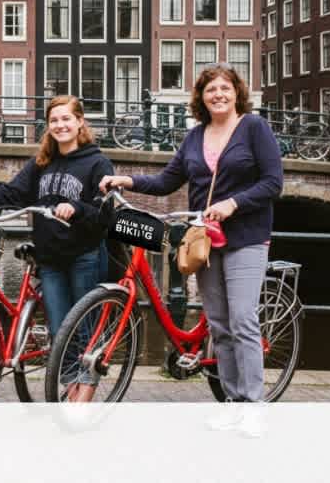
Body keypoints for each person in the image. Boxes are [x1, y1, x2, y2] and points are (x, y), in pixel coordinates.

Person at [100, 63, 283, 411]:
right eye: (210, 89)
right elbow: (168, 181)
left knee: (243, 319)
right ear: (201, 96)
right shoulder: (195, 137)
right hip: (206, 240)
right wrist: (128, 181)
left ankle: (253, 406)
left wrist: (233, 203)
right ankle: (232, 401)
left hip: (246, 237)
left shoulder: (254, 128)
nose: (218, 94)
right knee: (219, 325)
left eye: (225, 88)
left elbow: (274, 182)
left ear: (237, 93)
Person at [0, 95, 112, 402]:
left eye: (66, 119)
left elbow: (105, 214)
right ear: (48, 126)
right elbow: (10, 193)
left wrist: (76, 208)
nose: (60, 125)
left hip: (84, 257)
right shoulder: (41, 163)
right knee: (58, 330)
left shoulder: (97, 162)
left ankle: (84, 396)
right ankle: (71, 386)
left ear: (80, 122)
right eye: (54, 120)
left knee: (84, 329)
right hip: (50, 260)